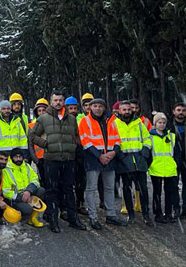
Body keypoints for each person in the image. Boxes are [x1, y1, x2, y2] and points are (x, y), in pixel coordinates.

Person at [29, 92, 87, 232]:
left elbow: (77, 136)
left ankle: (73, 219)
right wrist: (45, 144)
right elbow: (32, 136)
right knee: (52, 191)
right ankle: (53, 221)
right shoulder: (43, 119)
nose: (58, 102)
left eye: (61, 100)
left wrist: (76, 148)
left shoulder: (71, 119)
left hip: (68, 160)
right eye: (56, 100)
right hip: (51, 160)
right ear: (51, 101)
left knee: (69, 190)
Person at [80, 98, 127, 230]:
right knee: (91, 188)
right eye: (95, 106)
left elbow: (117, 138)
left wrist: (114, 152)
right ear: (90, 107)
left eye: (100, 106)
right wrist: (99, 155)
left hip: (109, 158)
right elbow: (85, 140)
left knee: (109, 188)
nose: (97, 108)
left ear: (104, 108)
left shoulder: (111, 121)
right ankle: (93, 217)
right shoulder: (85, 121)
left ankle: (111, 215)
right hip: (93, 158)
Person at [115, 101, 153, 226]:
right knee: (127, 188)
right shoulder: (115, 124)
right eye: (124, 109)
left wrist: (145, 152)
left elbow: (147, 139)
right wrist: (120, 155)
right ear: (119, 111)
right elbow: (113, 141)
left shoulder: (139, 123)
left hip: (139, 160)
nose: (126, 112)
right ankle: (131, 214)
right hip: (124, 160)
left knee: (143, 189)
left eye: (129, 109)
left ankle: (146, 214)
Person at [1, 148, 47, 227]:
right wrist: (21, 196)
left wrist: (28, 191)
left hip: (28, 193)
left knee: (41, 191)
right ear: (11, 158)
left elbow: (35, 180)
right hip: (16, 199)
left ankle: (33, 218)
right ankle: (23, 217)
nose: (18, 159)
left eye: (20, 157)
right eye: (16, 157)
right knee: (28, 209)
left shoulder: (27, 166)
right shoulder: (6, 170)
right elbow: (6, 191)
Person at [148, 112, 179, 224]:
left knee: (169, 192)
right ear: (155, 123)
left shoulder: (171, 136)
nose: (161, 125)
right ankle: (158, 213)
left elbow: (176, 151)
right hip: (156, 167)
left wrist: (176, 163)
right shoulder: (150, 137)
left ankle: (168, 213)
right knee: (157, 192)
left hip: (170, 167)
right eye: (159, 122)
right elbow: (148, 152)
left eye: (164, 122)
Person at [64, 96, 87, 215]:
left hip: (79, 152)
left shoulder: (81, 120)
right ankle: (69, 204)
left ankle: (80, 202)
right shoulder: (62, 120)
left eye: (74, 108)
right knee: (68, 181)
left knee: (81, 181)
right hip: (67, 153)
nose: (73, 110)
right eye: (70, 108)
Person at [28, 98, 49, 186]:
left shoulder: (53, 124)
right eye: (39, 111)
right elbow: (30, 145)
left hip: (51, 157)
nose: (41, 112)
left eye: (43, 110)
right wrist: (35, 160)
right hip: (40, 159)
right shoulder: (32, 126)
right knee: (43, 182)